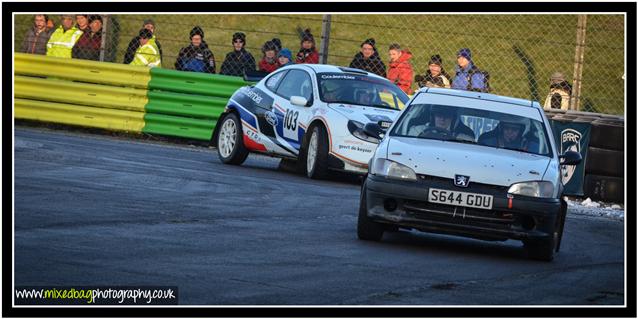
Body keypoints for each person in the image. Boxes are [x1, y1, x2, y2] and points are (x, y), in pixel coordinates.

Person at [408, 105, 475, 140]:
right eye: (439, 115)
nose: (442, 119)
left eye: (447, 116)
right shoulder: (417, 131)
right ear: (433, 117)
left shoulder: (464, 138)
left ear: (453, 119)